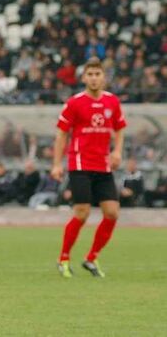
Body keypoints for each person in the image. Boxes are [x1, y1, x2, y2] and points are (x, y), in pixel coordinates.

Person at [52, 57, 126, 278]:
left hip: (103, 165)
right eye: (90, 74)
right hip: (80, 164)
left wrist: (117, 151)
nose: (94, 78)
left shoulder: (112, 102)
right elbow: (61, 134)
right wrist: (57, 164)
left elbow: (120, 128)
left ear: (104, 77)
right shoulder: (74, 102)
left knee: (112, 213)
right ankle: (63, 258)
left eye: (98, 74)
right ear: (84, 78)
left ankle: (91, 257)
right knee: (82, 213)